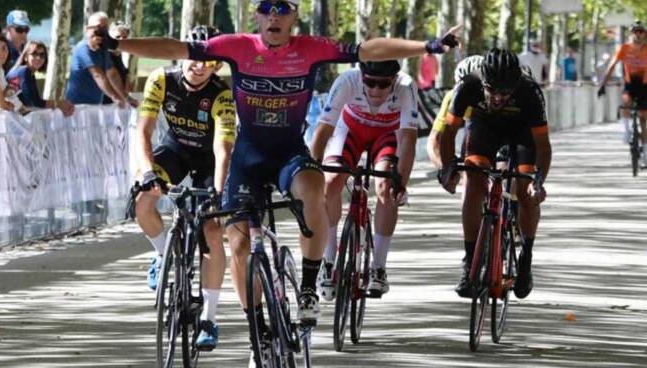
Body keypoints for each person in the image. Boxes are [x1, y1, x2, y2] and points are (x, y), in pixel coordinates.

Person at [98, 0, 459, 364]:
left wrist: (427, 46)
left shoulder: (310, 49)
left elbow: (369, 49)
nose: (274, 14)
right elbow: (174, 48)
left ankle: (308, 287)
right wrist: (119, 46)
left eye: (283, 8)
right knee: (237, 244)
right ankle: (257, 331)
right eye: (266, 7)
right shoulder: (236, 46)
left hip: (289, 153)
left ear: (293, 17)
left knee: (315, 188)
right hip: (247, 158)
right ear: (257, 15)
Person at [133, 25, 235, 351]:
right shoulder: (162, 79)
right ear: (182, 55)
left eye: (207, 60)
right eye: (193, 57)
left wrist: (218, 192)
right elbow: (143, 132)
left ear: (216, 64)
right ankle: (164, 256)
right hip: (173, 151)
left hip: (208, 162)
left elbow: (223, 148)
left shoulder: (221, 93)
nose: (198, 64)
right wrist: (149, 173)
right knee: (142, 199)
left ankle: (209, 318)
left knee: (213, 231)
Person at [439, 48, 551, 300]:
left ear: (515, 86)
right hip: (484, 128)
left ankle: (526, 258)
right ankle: (470, 262)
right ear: (483, 82)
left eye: (505, 92)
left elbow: (542, 145)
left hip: (521, 133)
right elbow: (447, 133)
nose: (498, 98)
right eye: (491, 90)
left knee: (525, 190)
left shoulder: (530, 90)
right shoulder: (468, 85)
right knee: (474, 185)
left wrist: (538, 181)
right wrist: (448, 168)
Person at [310, 60, 418, 299]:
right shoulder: (347, 80)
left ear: (395, 80)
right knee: (331, 181)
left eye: (383, 84)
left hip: (386, 134)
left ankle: (378, 266)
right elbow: (324, 127)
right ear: (362, 76)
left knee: (385, 188)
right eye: (370, 82)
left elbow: (409, 139)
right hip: (349, 130)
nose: (376, 90)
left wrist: (402, 181)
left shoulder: (406, 85)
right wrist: (312, 167)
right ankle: (328, 261)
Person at [597, 21, 646, 164]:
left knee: (643, 119)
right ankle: (626, 130)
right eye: (635, 31)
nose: (637, 34)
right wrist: (603, 85)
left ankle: (645, 154)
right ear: (632, 33)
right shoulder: (625, 48)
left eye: (640, 31)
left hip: (644, 86)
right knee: (625, 102)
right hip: (630, 84)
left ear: (644, 34)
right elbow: (612, 65)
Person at [66, 12, 137, 107]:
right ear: (88, 29)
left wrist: (125, 97)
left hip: (95, 105)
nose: (102, 31)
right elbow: (98, 75)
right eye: (98, 27)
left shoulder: (103, 48)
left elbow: (111, 73)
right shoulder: (83, 47)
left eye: (105, 28)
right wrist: (115, 97)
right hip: (77, 106)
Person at [427, 55, 483, 167]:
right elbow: (435, 138)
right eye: (465, 90)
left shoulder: (497, 93)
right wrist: (445, 168)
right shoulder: (452, 96)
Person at [6, 41, 74, 116]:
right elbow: (33, 102)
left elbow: (35, 102)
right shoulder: (24, 71)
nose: (38, 58)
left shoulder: (29, 74)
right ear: (25, 57)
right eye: (34, 54)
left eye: (42, 55)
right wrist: (58, 103)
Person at [0, 33, 21, 111]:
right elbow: (1, 104)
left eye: (4, 48)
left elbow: (0, 97)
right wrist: (10, 106)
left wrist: (7, 90)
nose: (1, 53)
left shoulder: (0, 69)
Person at [102, 21, 131, 104]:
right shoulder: (105, 57)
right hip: (105, 105)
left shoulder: (122, 57)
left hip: (118, 104)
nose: (122, 40)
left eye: (125, 37)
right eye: (118, 37)